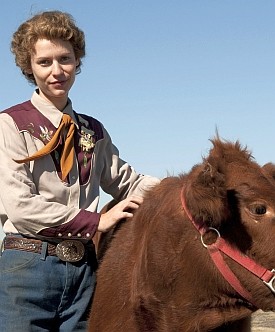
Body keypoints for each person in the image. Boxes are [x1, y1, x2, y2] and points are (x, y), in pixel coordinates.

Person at [0, 11, 159, 332]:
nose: (57, 71)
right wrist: (98, 220)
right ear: (28, 67)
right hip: (27, 268)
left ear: (77, 61)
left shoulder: (92, 131)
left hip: (86, 270)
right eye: (44, 62)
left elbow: (127, 182)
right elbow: (21, 207)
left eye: (65, 59)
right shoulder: (10, 125)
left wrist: (182, 188)